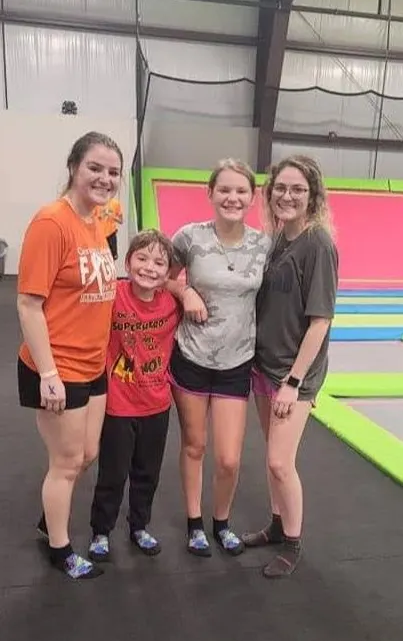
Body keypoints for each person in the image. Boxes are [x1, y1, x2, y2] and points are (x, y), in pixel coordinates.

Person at [17, 131, 123, 580]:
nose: (104, 178)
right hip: (57, 366)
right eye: (94, 168)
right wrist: (48, 373)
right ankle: (60, 548)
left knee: (87, 453)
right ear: (74, 167)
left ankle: (51, 514)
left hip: (93, 363)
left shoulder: (98, 221)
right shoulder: (51, 223)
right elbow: (28, 304)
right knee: (65, 462)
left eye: (113, 172)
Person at [167, 159, 271, 557]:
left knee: (228, 458)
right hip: (192, 356)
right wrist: (184, 291)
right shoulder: (189, 238)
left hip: (236, 361)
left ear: (252, 197)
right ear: (210, 194)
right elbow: (159, 275)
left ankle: (221, 522)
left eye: (241, 191)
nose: (232, 197)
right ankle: (195, 524)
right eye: (224, 190)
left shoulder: (263, 244)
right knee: (195, 445)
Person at [242, 155, 339, 578]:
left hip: (292, 376)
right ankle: (277, 525)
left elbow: (320, 322)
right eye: (281, 188)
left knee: (282, 462)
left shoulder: (318, 244)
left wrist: (294, 383)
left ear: (312, 196)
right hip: (265, 366)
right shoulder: (280, 238)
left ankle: (294, 542)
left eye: (298, 189)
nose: (288, 195)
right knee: (271, 457)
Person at [88, 229, 181, 559]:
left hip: (156, 403)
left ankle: (139, 526)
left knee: (147, 473)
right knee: (113, 473)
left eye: (159, 263)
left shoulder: (173, 303)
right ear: (127, 262)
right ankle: (101, 531)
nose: (149, 268)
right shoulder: (114, 295)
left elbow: (191, 294)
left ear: (168, 272)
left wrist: (188, 293)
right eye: (142, 258)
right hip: (118, 404)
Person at [96, 196, 123, 260]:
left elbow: (121, 220)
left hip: (111, 234)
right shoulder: (97, 203)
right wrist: (102, 215)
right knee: (100, 256)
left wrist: (111, 216)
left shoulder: (116, 203)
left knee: (113, 257)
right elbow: (93, 218)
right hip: (100, 234)